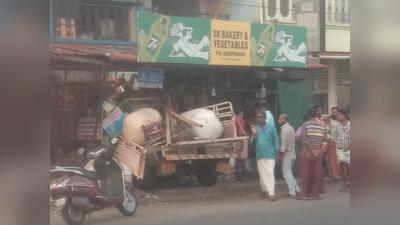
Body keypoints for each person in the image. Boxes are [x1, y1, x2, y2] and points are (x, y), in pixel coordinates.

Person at [297, 109, 327, 200]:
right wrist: (318, 151)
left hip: (307, 154)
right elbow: (325, 142)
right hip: (319, 155)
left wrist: (313, 150)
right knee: (316, 174)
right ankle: (314, 195)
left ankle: (305, 194)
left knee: (306, 174)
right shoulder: (322, 126)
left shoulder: (305, 125)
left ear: (308, 115)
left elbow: (305, 140)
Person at [250, 110, 280, 201]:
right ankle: (264, 190)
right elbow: (251, 142)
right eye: (257, 117)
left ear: (265, 118)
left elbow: (276, 140)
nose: (259, 119)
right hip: (260, 154)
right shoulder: (255, 129)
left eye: (261, 117)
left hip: (270, 154)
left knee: (270, 173)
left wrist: (277, 153)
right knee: (262, 174)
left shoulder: (271, 128)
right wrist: (254, 137)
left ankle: (271, 193)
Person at [277, 114, 301, 198]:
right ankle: (297, 189)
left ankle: (292, 192)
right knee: (289, 172)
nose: (278, 121)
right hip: (292, 154)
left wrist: (280, 157)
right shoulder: (291, 128)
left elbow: (283, 146)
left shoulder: (284, 131)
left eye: (280, 119)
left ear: (285, 120)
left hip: (287, 155)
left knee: (286, 174)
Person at [335, 109, 351, 192]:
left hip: (349, 150)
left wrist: (347, 149)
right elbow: (336, 137)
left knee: (349, 167)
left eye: (338, 115)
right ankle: (344, 186)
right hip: (340, 149)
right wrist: (337, 147)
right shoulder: (338, 126)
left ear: (343, 115)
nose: (337, 117)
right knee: (342, 168)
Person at [326, 107, 341, 179]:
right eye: (332, 112)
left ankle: (340, 173)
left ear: (338, 112)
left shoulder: (341, 120)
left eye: (335, 112)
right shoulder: (329, 120)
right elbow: (327, 130)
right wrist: (329, 140)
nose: (333, 113)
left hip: (340, 140)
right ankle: (334, 174)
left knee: (339, 157)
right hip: (332, 139)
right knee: (332, 157)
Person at [234, 106, 248, 181]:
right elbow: (241, 131)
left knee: (237, 159)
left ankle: (237, 176)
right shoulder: (241, 120)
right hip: (241, 139)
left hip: (235, 139)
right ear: (241, 112)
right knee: (242, 159)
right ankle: (243, 176)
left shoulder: (233, 119)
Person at [296, 114, 309, 178]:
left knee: (302, 163)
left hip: (303, 149)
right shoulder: (310, 128)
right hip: (310, 150)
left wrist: (300, 145)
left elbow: (296, 137)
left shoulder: (301, 128)